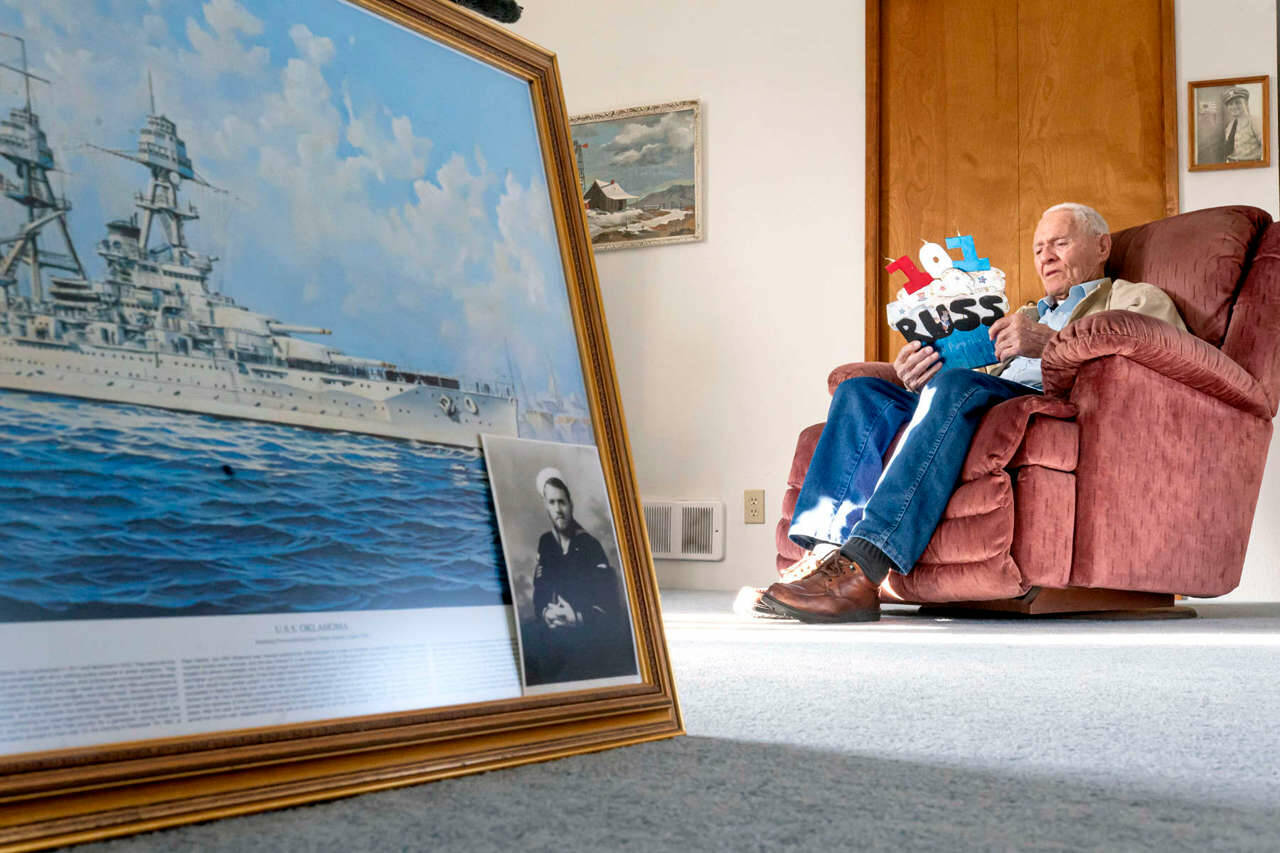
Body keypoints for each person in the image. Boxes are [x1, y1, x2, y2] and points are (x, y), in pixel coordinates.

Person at [758, 203, 1187, 623]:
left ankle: (866, 564)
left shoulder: (1133, 297)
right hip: (977, 396)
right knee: (860, 392)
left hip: (1040, 400)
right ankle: (823, 561)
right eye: (1039, 249)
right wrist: (917, 375)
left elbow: (1153, 357)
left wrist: (1048, 343)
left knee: (955, 386)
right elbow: (973, 374)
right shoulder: (1023, 313)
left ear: (1101, 246)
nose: (1047, 257)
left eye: (1060, 243)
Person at [522, 467, 634, 684]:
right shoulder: (546, 543)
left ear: (571, 505)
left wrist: (576, 617)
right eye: (552, 502)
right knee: (525, 644)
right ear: (546, 506)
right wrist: (546, 612)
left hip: (586, 634)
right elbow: (540, 589)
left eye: (562, 502)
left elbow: (609, 607)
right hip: (554, 629)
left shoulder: (590, 545)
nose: (558, 509)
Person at [1222, 86, 1264, 163]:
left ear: (1246, 103)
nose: (1234, 107)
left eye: (1238, 102)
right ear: (1227, 107)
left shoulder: (1255, 121)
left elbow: (1266, 146)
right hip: (1231, 164)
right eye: (1230, 104)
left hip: (1250, 165)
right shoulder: (1230, 126)